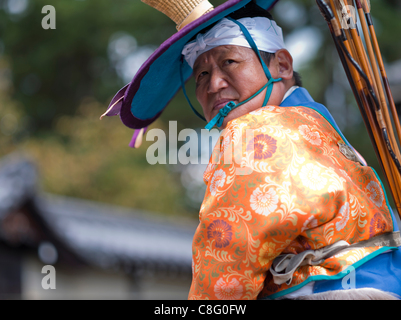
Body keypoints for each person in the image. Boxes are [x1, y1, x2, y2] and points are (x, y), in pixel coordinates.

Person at [103, 0, 401, 300]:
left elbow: (226, 269)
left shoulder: (255, 131)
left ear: (282, 66)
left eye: (229, 62)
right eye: (201, 75)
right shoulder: (315, 120)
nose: (214, 84)